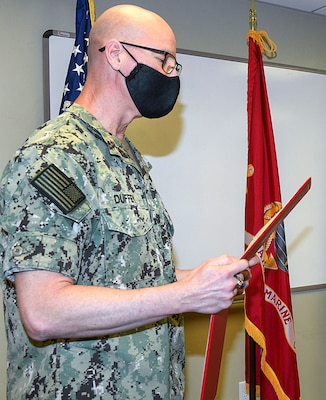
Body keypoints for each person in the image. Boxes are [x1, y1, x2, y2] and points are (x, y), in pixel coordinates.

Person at [0, 5, 255, 399]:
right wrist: (185, 295)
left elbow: (136, 279)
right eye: (164, 59)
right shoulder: (53, 157)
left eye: (175, 64)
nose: (172, 73)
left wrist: (203, 278)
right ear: (116, 55)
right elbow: (43, 311)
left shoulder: (126, 157)